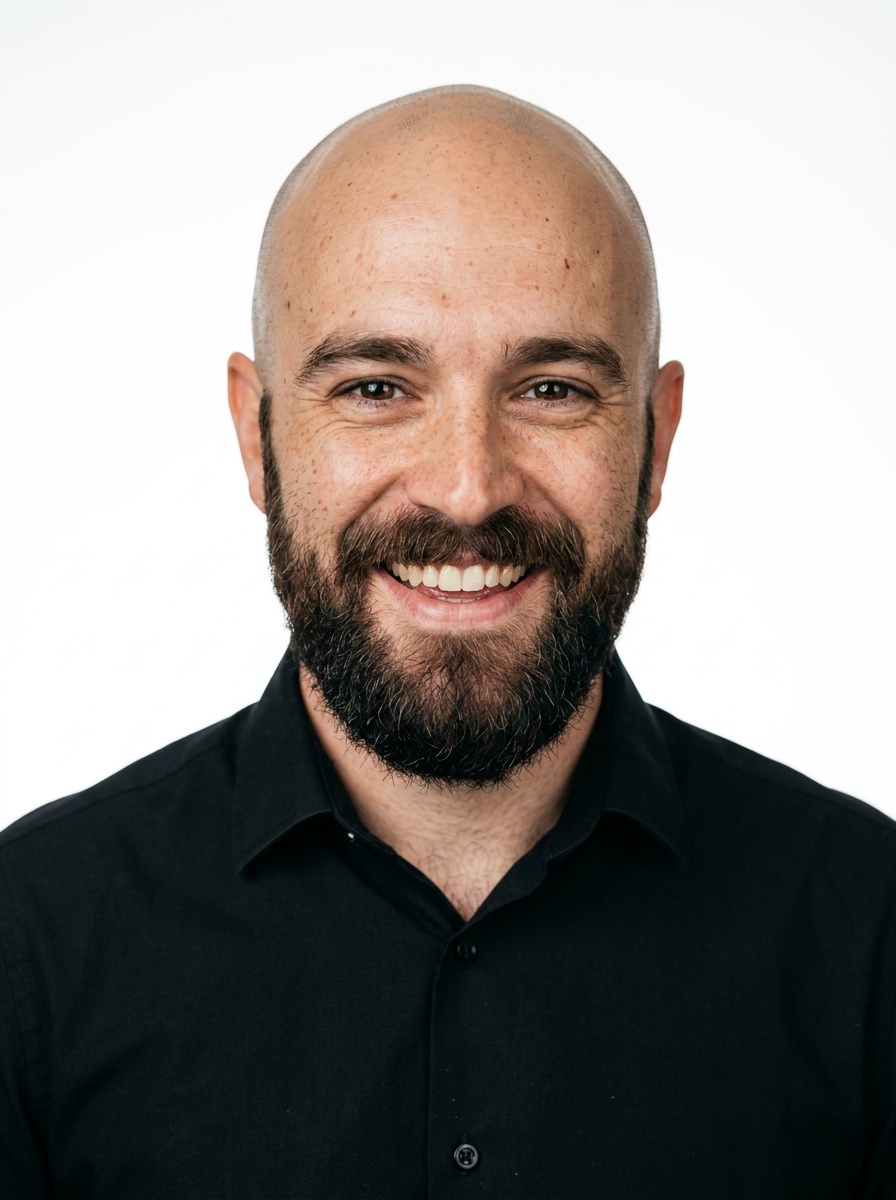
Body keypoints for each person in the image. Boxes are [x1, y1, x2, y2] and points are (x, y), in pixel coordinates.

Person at [0, 84, 892, 1200]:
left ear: (655, 441)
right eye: (377, 387)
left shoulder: (870, 935)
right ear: (257, 437)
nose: (467, 489)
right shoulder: (29, 944)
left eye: (552, 389)